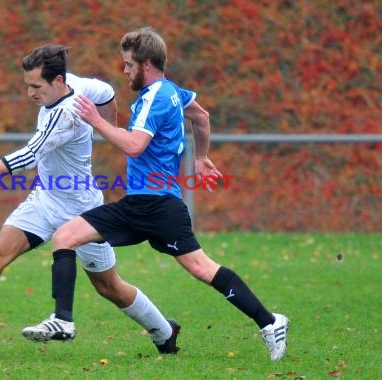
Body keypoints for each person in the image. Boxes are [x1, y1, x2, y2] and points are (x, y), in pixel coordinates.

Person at [35, 27, 290, 360]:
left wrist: (96, 120)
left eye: (128, 64)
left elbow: (135, 146)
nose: (124, 71)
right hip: (141, 203)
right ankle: (63, 321)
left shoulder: (154, 97)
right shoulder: (173, 91)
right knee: (65, 236)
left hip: (158, 206)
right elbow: (201, 115)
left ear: (147, 64)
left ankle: (271, 322)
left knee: (201, 268)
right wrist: (200, 157)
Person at [0, 44, 178, 354]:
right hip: (45, 200)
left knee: (109, 286)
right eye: (27, 85)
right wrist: (108, 128)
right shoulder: (78, 84)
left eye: (36, 86)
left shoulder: (65, 115)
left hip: (83, 209)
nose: (30, 94)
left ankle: (165, 331)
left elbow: (29, 156)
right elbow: (107, 90)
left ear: (57, 81)